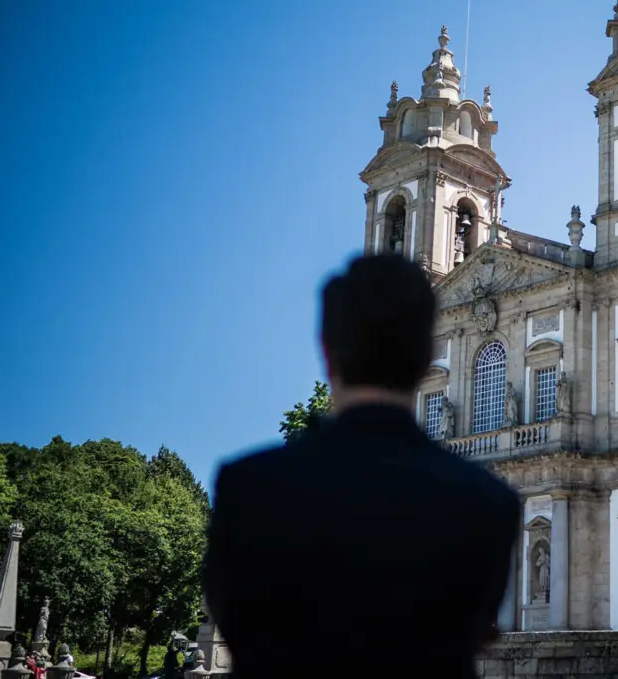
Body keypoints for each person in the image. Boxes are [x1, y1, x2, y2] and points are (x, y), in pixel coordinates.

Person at [204, 254, 521, 679]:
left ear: (326, 349)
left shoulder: (248, 490)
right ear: (428, 353)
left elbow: (232, 620)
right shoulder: (488, 505)